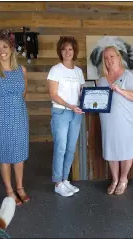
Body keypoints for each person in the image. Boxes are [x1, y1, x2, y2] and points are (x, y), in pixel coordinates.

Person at [0, 35, 30, 205]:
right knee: (4, 155)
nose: (1, 51)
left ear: (11, 49)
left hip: (19, 115)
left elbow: (23, 92)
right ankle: (10, 191)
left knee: (19, 155)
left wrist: (15, 106)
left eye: (5, 47)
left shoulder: (21, 70)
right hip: (0, 117)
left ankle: (20, 187)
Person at [98, 46, 133, 195]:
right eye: (106, 58)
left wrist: (120, 90)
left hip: (126, 121)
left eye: (112, 56)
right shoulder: (102, 80)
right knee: (111, 148)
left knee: (126, 149)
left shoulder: (128, 76)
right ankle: (115, 179)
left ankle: (124, 179)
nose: (109, 60)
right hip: (108, 122)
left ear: (118, 58)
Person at [47, 36, 85, 197]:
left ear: (74, 51)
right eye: (64, 49)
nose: (67, 52)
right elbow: (53, 94)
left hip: (76, 114)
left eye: (70, 49)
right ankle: (57, 183)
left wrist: (88, 102)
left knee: (70, 148)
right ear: (60, 51)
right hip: (61, 112)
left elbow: (83, 93)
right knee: (60, 147)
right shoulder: (55, 70)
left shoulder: (78, 71)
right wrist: (70, 106)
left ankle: (65, 179)